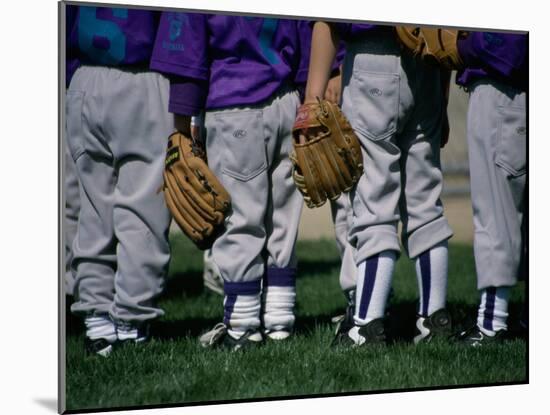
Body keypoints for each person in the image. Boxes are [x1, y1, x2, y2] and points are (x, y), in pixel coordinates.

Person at [151, 13, 310, 348]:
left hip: (234, 103)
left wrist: (181, 127)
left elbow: (188, 56)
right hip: (287, 100)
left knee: (241, 219)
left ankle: (242, 326)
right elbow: (308, 35)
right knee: (283, 215)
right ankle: (281, 320)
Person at [303, 22, 454, 346]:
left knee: (374, 200)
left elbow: (327, 21)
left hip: (372, 60)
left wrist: (311, 104)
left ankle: (366, 324)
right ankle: (434, 317)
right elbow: (448, 32)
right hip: (427, 61)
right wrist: (442, 97)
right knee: (425, 201)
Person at [66, 5, 173, 356]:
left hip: (83, 78)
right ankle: (131, 320)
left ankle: (96, 319)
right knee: (143, 211)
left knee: (92, 211)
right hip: (143, 78)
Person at [454, 31, 527, 345]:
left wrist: (463, 43)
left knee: (495, 213)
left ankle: (491, 324)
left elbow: (503, 45)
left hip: (501, 89)